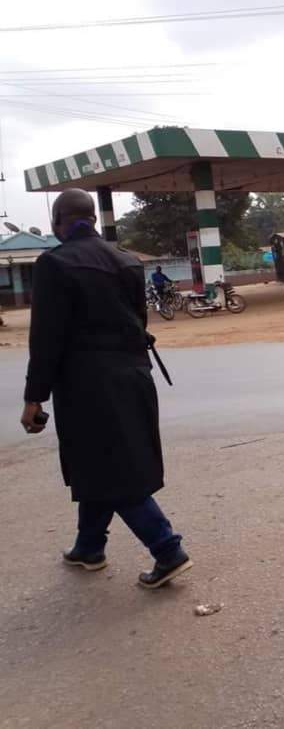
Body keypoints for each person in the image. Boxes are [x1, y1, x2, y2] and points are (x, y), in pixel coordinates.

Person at [19, 189, 192, 589]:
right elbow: (136, 320)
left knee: (113, 469)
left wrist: (34, 397)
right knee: (101, 462)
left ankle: (167, 549)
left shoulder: (54, 264)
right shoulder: (127, 261)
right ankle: (89, 547)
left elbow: (45, 338)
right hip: (134, 376)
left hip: (88, 386)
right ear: (93, 218)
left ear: (59, 220)